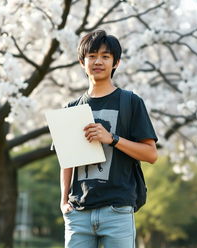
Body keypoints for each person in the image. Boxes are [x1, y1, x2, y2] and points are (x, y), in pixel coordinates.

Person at [60, 30, 158, 248]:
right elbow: (66, 160)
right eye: (92, 55)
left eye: (105, 56)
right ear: (81, 61)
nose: (98, 61)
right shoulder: (71, 108)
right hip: (79, 213)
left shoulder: (130, 102)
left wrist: (112, 138)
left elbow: (151, 154)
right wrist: (63, 201)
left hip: (118, 210)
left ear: (116, 63)